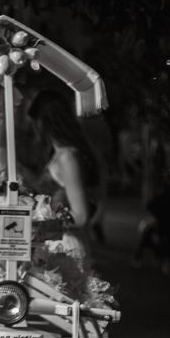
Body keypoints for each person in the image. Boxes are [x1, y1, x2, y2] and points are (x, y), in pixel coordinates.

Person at [25, 89, 104, 263]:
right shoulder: (60, 153)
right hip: (58, 241)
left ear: (44, 123)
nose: (34, 130)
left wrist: (41, 227)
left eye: (35, 123)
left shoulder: (68, 156)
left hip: (67, 245)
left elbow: (81, 215)